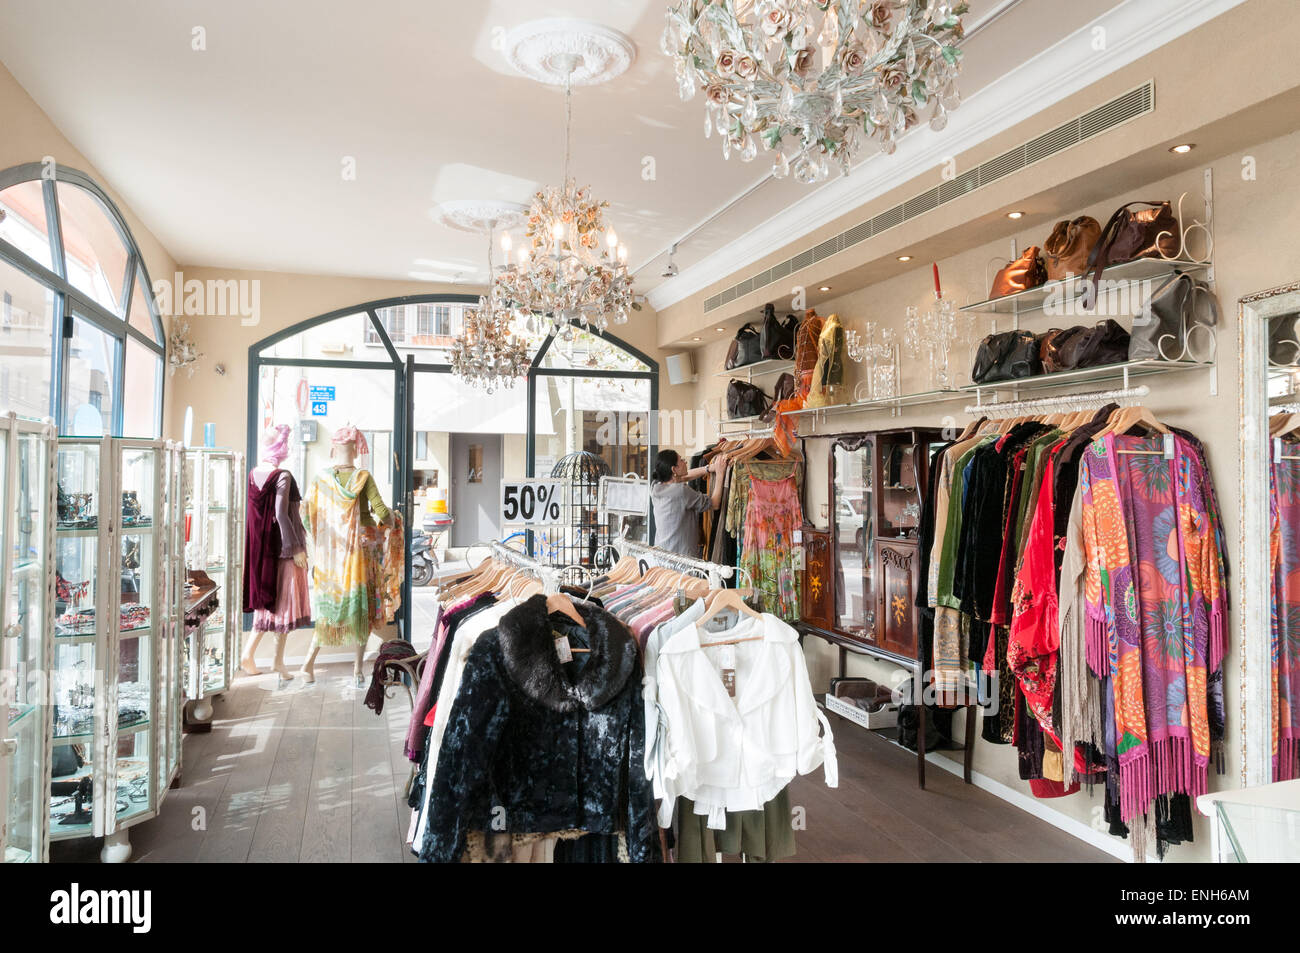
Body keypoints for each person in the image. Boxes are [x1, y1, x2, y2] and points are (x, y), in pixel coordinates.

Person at [649, 449, 728, 557]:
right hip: (681, 559)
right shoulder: (681, 491)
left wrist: (709, 468)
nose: (685, 462)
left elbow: (683, 477)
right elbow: (715, 503)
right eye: (681, 460)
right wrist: (720, 473)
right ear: (674, 469)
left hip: (661, 554)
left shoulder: (655, 487)